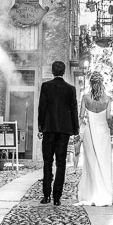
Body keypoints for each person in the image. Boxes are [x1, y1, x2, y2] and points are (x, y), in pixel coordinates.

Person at [37, 60, 79, 205]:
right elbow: (74, 109)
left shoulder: (46, 86)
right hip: (64, 130)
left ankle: (46, 195)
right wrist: (75, 129)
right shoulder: (70, 89)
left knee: (47, 162)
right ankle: (57, 198)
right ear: (64, 71)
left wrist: (40, 126)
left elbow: (42, 107)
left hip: (48, 129)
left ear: (53, 71)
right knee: (61, 164)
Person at [76, 72, 113, 206]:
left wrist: (79, 132)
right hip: (103, 133)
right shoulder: (108, 100)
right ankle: (104, 191)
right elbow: (108, 118)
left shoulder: (86, 98)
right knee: (104, 162)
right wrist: (112, 127)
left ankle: (92, 192)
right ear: (102, 83)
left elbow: (81, 117)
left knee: (91, 162)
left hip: (89, 132)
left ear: (91, 84)